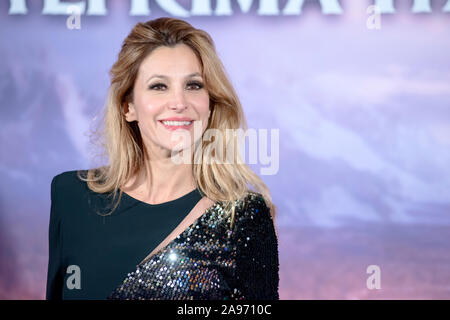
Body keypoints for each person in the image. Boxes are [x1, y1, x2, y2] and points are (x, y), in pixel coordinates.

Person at [46, 17, 279, 300]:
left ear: (210, 104)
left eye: (193, 85)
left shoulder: (242, 217)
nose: (179, 102)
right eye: (159, 86)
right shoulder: (70, 196)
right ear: (128, 106)